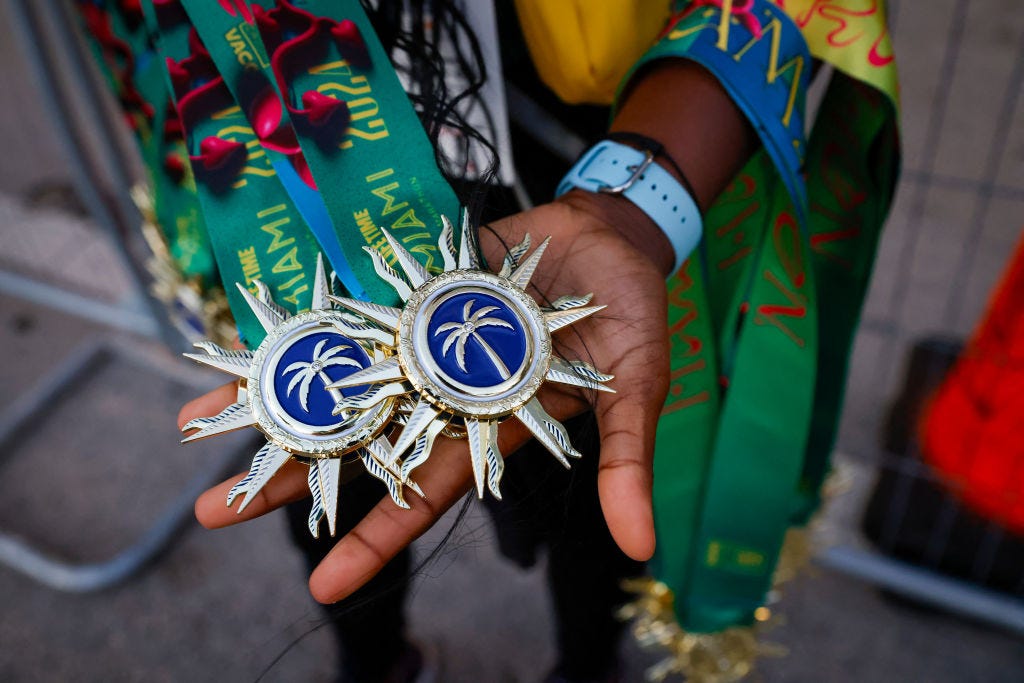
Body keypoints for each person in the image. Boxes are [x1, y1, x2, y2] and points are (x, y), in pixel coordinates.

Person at [176, 3, 771, 682]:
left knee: (595, 490)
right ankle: (374, 663)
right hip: (305, 173)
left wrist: (633, 206)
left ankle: (587, 667)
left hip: (599, 150)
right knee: (331, 468)